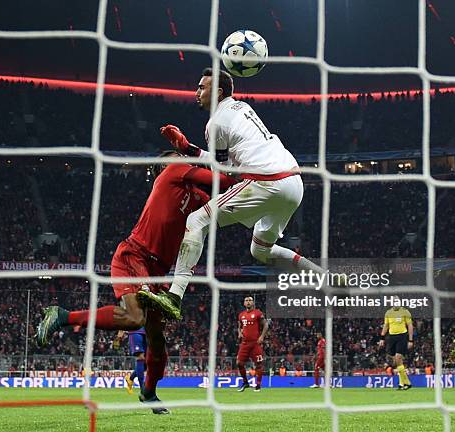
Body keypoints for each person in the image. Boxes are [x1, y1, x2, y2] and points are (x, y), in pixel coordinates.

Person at [35, 151, 235, 413]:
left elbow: (225, 205)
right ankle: (62, 316)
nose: (182, 159)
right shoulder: (172, 172)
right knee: (134, 319)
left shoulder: (196, 196)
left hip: (157, 272)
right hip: (134, 255)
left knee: (157, 340)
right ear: (163, 165)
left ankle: (149, 394)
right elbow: (225, 183)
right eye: (176, 156)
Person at [138, 67, 324, 320]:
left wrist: (187, 152)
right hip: (293, 182)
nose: (197, 92)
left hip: (266, 181)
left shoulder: (214, 124)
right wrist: (186, 147)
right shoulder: (242, 108)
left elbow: (224, 174)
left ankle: (174, 296)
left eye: (202, 87)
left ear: (218, 91)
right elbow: (226, 163)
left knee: (196, 221)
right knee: (260, 251)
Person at [379, 300, 413, 390]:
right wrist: (382, 338)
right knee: (396, 361)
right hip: (391, 337)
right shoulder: (388, 313)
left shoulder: (405, 312)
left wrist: (410, 340)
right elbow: (386, 325)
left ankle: (407, 383)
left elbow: (410, 326)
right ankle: (403, 383)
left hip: (402, 336)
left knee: (398, 358)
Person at [236, 296, 268, 392]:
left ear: (253, 303)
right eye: (246, 300)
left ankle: (258, 385)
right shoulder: (241, 315)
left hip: (255, 343)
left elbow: (265, 324)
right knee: (239, 363)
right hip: (244, 343)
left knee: (259, 364)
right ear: (244, 303)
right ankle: (246, 383)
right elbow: (239, 326)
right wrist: (239, 333)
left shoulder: (258, 313)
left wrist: (262, 336)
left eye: (250, 300)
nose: (248, 302)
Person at [114, 328, 146, 395]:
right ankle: (143, 390)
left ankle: (130, 378)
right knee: (140, 357)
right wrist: (121, 330)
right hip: (135, 331)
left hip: (148, 332)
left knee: (147, 362)